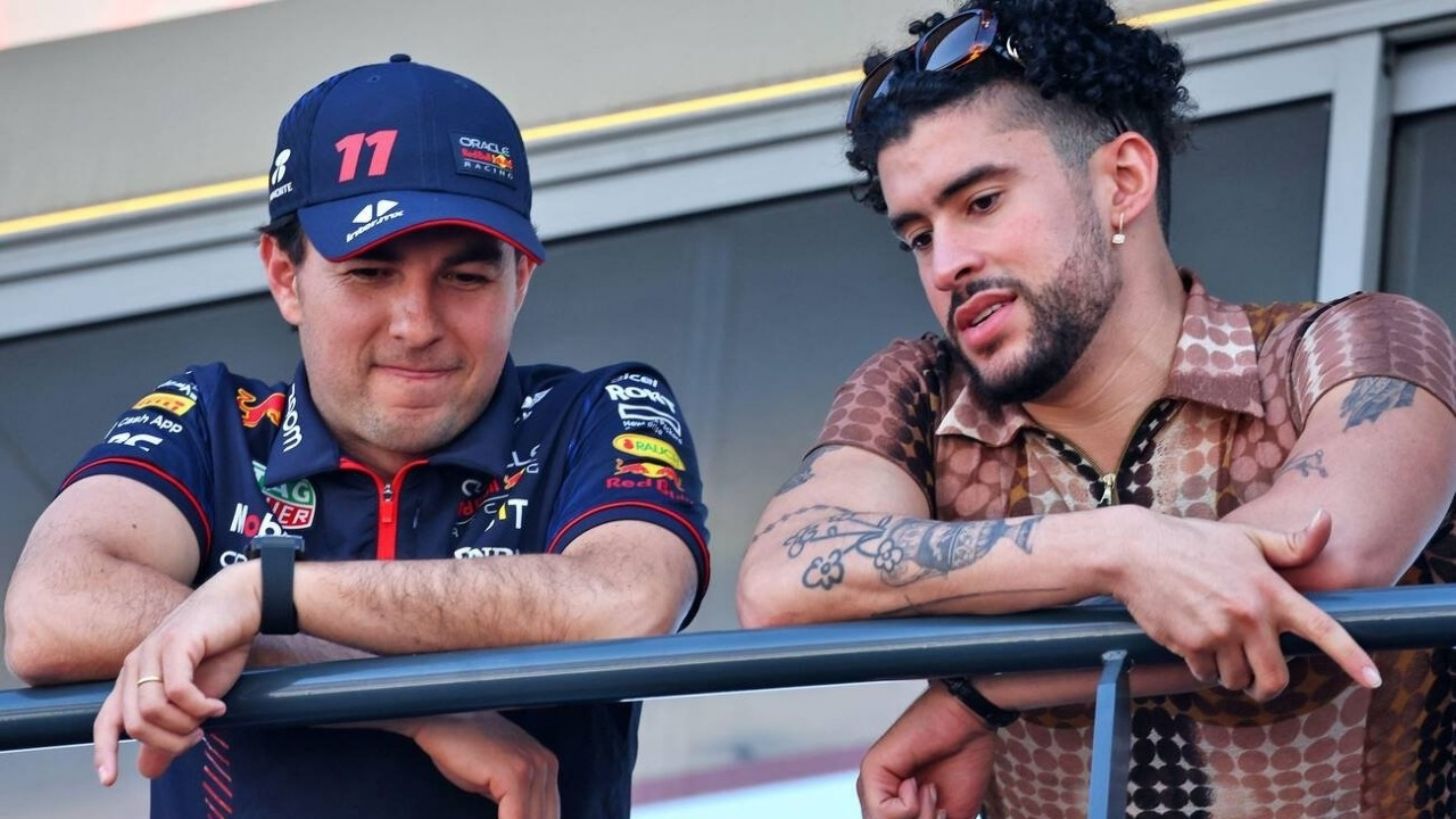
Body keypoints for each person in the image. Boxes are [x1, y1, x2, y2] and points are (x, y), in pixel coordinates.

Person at [736, 2, 1456, 817]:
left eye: (981, 202)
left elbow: (1320, 562)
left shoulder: (1354, 341)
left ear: (1123, 182)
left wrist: (983, 693)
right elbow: (781, 581)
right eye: (920, 236)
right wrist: (1117, 547)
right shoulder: (918, 390)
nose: (946, 264)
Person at [3, 54, 710, 819]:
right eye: (371, 272)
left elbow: (627, 601)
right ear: (285, 276)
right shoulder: (211, 420)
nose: (417, 324)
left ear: (521, 281)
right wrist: (421, 710)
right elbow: (49, 612)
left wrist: (261, 593)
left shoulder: (597, 410)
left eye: (466, 277)